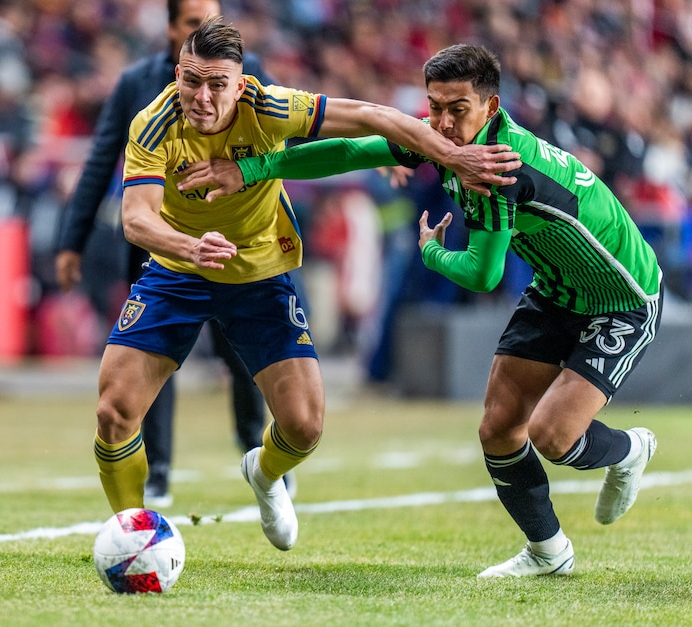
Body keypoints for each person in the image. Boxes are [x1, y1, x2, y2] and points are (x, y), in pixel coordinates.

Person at [181, 43, 662, 572]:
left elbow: (484, 275)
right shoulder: (445, 141)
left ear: (491, 108)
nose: (444, 123)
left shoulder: (500, 167)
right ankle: (547, 552)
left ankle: (630, 451)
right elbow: (352, 152)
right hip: (556, 288)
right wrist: (255, 169)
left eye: (459, 110)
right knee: (499, 428)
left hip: (623, 297)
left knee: (553, 436)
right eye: (435, 107)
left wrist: (431, 250)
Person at [95, 20, 520, 552]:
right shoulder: (153, 123)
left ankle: (266, 474)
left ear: (240, 81)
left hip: (260, 274)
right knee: (114, 411)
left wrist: (450, 155)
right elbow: (136, 220)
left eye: (217, 85)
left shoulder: (269, 106)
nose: (202, 97)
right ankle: (133, 536)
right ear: (177, 73)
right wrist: (189, 247)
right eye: (192, 81)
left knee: (304, 426)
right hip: (177, 273)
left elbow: (371, 116)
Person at [54, 0, 275, 508]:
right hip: (160, 244)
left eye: (214, 21)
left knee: (241, 356)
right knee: (151, 360)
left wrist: (379, 156)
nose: (208, 32)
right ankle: (157, 472)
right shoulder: (136, 84)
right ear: (172, 31)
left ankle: (257, 456)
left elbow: (294, 136)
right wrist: (72, 240)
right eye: (195, 24)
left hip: (230, 248)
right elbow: (100, 160)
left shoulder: (250, 72)